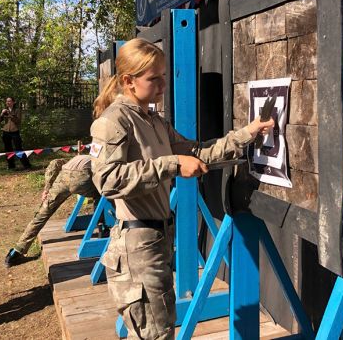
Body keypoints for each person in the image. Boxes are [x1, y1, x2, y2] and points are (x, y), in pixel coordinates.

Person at [90, 38, 274, 339]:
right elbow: (107, 180)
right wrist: (172, 165)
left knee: (161, 329)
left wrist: (247, 133)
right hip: (137, 246)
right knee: (156, 334)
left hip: (155, 239)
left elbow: (198, 151)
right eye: (154, 78)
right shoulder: (113, 122)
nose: (163, 85)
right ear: (129, 81)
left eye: (163, 75)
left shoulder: (153, 120)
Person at [4, 154, 102, 267]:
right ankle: (102, 229)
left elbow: (54, 163)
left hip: (62, 178)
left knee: (41, 215)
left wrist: (47, 188)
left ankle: (16, 252)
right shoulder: (98, 159)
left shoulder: (72, 160)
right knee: (101, 195)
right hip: (81, 179)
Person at [0, 97, 31, 170]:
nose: (8, 103)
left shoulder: (17, 110)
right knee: (8, 149)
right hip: (5, 132)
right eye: (7, 101)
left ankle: (27, 166)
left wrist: (9, 114)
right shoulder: (4, 111)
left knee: (19, 148)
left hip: (15, 132)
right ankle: (11, 166)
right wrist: (1, 114)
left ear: (13, 102)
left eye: (9, 101)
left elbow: (18, 121)